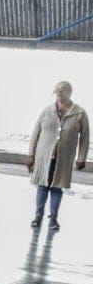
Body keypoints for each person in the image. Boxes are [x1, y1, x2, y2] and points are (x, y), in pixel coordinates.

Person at [27, 81, 88, 231]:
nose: (59, 92)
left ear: (69, 92)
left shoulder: (80, 113)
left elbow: (85, 137)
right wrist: (31, 154)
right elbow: (35, 133)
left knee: (57, 187)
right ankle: (38, 217)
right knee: (42, 186)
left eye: (63, 89)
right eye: (57, 90)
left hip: (64, 158)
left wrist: (81, 158)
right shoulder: (47, 111)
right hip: (43, 157)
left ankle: (53, 219)